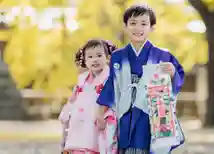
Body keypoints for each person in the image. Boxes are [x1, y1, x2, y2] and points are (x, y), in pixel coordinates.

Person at [96, 4, 185, 154]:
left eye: (144, 24)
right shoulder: (118, 56)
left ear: (152, 27)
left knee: (149, 144)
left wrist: (172, 73)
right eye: (133, 23)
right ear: (125, 26)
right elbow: (111, 86)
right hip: (126, 112)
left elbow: (178, 78)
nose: (138, 28)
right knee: (127, 145)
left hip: (151, 112)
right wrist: (100, 113)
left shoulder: (163, 55)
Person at [59, 39, 117, 154]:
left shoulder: (109, 78)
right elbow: (73, 99)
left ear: (107, 57)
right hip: (80, 122)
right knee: (78, 146)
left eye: (99, 55)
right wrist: (67, 109)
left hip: (98, 122)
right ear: (85, 61)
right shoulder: (82, 79)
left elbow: (111, 99)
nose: (95, 59)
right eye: (90, 57)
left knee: (98, 146)